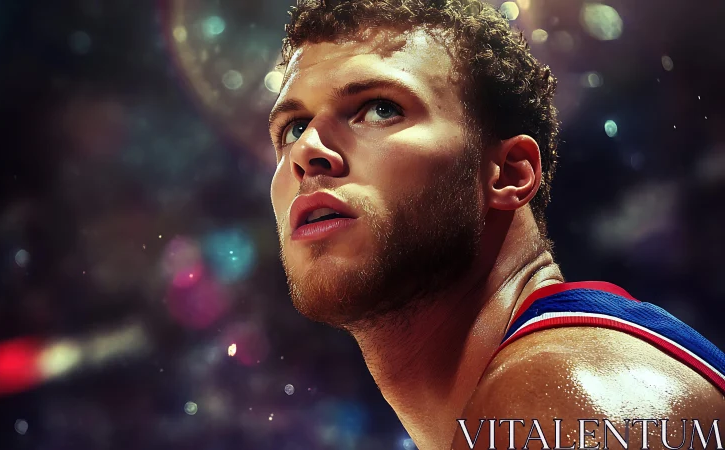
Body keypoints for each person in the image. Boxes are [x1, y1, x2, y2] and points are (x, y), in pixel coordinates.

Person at [266, 1, 725, 449]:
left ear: (508, 173)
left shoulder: (556, 396)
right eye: (293, 127)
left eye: (380, 108)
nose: (307, 151)